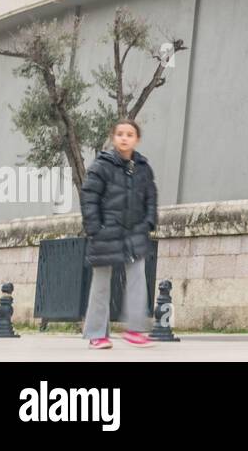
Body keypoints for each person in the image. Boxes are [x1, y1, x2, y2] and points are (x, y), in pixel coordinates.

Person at [79, 117, 158, 349]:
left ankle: (134, 330)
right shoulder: (101, 165)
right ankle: (97, 334)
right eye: (120, 134)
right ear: (113, 138)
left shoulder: (143, 168)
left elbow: (151, 198)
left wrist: (148, 223)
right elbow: (89, 197)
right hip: (106, 232)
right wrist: (94, 228)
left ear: (137, 139)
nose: (124, 138)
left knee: (137, 280)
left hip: (135, 233)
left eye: (129, 134)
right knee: (101, 284)